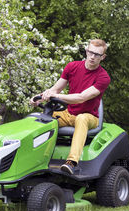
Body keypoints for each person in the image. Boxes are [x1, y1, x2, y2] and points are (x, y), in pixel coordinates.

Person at [30, 39, 111, 175]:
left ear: (103, 57)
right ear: (86, 51)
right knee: (40, 119)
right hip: (68, 114)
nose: (92, 57)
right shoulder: (72, 67)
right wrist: (39, 97)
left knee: (81, 119)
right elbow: (55, 89)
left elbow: (81, 98)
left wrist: (59, 96)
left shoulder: (103, 77)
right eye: (91, 52)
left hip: (89, 117)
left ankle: (72, 162)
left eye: (97, 54)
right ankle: (34, 159)